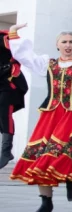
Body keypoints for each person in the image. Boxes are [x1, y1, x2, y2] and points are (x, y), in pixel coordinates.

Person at [6, 24, 72, 212]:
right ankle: (46, 202)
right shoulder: (48, 63)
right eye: (64, 42)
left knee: (66, 149)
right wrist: (13, 33)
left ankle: (70, 179)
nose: (68, 45)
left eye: (71, 42)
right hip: (51, 114)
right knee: (41, 154)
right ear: (57, 44)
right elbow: (25, 57)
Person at [0, 29, 28, 170]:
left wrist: (13, 33)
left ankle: (6, 150)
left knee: (5, 113)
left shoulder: (4, 37)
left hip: (8, 81)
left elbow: (20, 48)